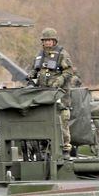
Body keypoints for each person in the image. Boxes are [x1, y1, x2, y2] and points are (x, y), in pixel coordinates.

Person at [28, 27, 77, 158]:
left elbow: (69, 71)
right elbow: (34, 69)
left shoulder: (62, 54)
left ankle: (66, 149)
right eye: (45, 40)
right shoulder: (39, 55)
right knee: (44, 123)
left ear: (55, 41)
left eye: (50, 40)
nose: (48, 43)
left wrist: (60, 79)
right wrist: (31, 75)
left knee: (62, 122)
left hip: (59, 95)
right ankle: (45, 149)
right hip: (43, 96)